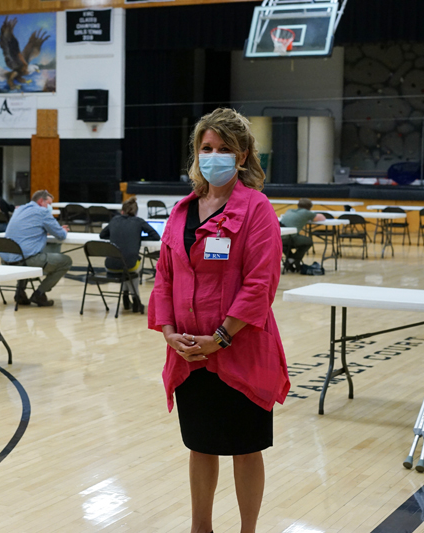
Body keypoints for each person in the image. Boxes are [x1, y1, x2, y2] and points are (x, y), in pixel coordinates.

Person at [148, 108, 289, 533]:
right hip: (190, 352)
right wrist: (171, 334)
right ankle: (200, 528)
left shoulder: (257, 209)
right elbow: (164, 278)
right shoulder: (181, 211)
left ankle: (248, 530)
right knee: (201, 445)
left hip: (239, 349)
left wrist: (221, 337)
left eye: (224, 149)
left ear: (242, 156)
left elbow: (260, 283)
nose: (214, 156)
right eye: (206, 149)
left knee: (246, 449)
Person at [0, 189, 72, 307]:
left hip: (6, 260)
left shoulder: (19, 209)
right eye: (48, 204)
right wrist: (62, 229)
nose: (49, 207)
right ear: (40, 201)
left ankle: (20, 293)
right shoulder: (42, 212)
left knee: (25, 253)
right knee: (66, 261)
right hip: (24, 260)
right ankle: (40, 293)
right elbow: (61, 235)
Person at [98, 197, 160, 312]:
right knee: (132, 268)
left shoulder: (115, 220)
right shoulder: (139, 221)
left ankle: (125, 297)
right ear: (136, 213)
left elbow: (102, 235)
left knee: (126, 268)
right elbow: (156, 236)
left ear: (122, 211)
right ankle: (135, 299)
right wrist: (138, 237)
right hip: (130, 265)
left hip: (110, 265)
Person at [280, 198, 325, 272]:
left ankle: (290, 260)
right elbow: (321, 218)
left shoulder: (289, 210)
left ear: (298, 205)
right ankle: (292, 259)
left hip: (280, 238)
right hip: (289, 238)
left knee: (284, 246)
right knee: (308, 241)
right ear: (310, 207)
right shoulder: (306, 212)